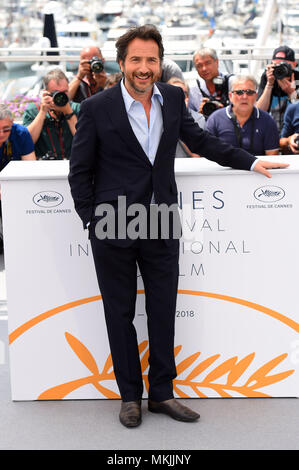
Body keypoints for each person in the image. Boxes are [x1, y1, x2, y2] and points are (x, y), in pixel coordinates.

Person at [68, 24, 288, 429]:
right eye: (136, 59)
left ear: (159, 62)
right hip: (113, 223)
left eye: (151, 59)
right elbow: (79, 171)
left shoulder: (171, 97)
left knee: (163, 310)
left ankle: (162, 394)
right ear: (123, 63)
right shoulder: (97, 107)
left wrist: (252, 161)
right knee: (119, 314)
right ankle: (130, 397)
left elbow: (203, 142)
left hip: (161, 220)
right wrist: (92, 220)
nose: (144, 67)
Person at [206, 75, 280, 156]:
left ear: (256, 96)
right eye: (239, 92)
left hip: (258, 168)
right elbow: (208, 154)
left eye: (249, 92)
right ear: (230, 96)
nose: (244, 97)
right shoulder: (215, 119)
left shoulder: (267, 121)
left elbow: (272, 157)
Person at [0, 104, 36, 253]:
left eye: (6, 129)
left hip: (14, 185)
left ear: (13, 123)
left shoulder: (21, 133)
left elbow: (30, 168)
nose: (1, 134)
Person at [23, 68, 80, 160]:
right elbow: (27, 142)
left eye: (65, 92)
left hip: (73, 163)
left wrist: (69, 112)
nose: (62, 97)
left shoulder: (77, 109)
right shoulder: (33, 110)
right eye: (56, 93)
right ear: (46, 93)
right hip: (44, 165)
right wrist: (42, 112)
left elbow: (84, 141)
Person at [256, 46, 299, 133]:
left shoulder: (297, 79)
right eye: (277, 66)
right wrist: (269, 85)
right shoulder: (267, 77)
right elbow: (259, 111)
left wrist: (292, 93)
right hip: (270, 130)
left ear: (294, 65)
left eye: (285, 65)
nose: (281, 70)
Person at [188, 47, 232, 117]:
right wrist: (200, 114)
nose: (204, 68)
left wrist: (227, 110)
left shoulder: (232, 83)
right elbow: (190, 118)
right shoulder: (193, 89)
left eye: (208, 63)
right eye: (199, 65)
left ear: (217, 62)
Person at [167, 77, 205, 158]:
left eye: (182, 93)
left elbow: (197, 155)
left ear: (187, 97)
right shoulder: (157, 117)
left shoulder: (199, 119)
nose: (177, 97)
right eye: (172, 94)